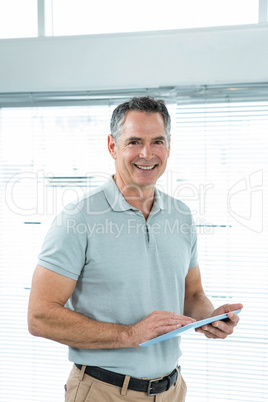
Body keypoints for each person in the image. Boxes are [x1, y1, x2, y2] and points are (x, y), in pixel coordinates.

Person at [28, 96, 242, 401]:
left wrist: (210, 318)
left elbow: (191, 294)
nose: (147, 153)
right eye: (134, 141)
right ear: (113, 146)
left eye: (157, 141)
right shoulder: (78, 218)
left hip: (172, 389)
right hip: (104, 392)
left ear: (169, 146)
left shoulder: (181, 215)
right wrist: (129, 335)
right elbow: (39, 317)